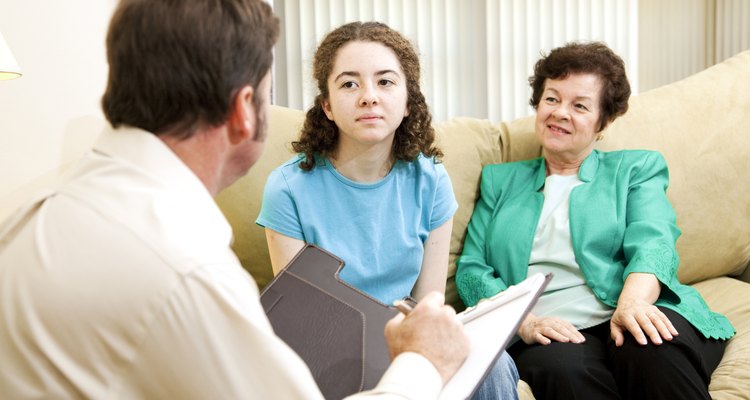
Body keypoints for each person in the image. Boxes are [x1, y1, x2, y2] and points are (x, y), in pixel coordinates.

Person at [0, 1, 471, 399]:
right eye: (269, 96)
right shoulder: (189, 271)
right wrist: (424, 365)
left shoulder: (26, 221)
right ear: (244, 110)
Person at [455, 41, 735, 400]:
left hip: (630, 303)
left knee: (650, 348)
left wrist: (632, 305)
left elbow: (653, 243)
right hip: (552, 328)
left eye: (580, 106)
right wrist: (526, 323)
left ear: (603, 122)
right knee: (563, 370)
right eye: (552, 99)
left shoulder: (635, 169)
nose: (560, 113)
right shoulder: (500, 181)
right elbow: (472, 269)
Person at [257, 21, 519, 399]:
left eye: (385, 81)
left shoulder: (430, 180)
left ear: (408, 100)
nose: (368, 97)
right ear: (327, 105)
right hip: (329, 355)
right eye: (349, 83)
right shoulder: (287, 189)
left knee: (493, 363)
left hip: (407, 347)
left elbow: (429, 305)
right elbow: (306, 322)